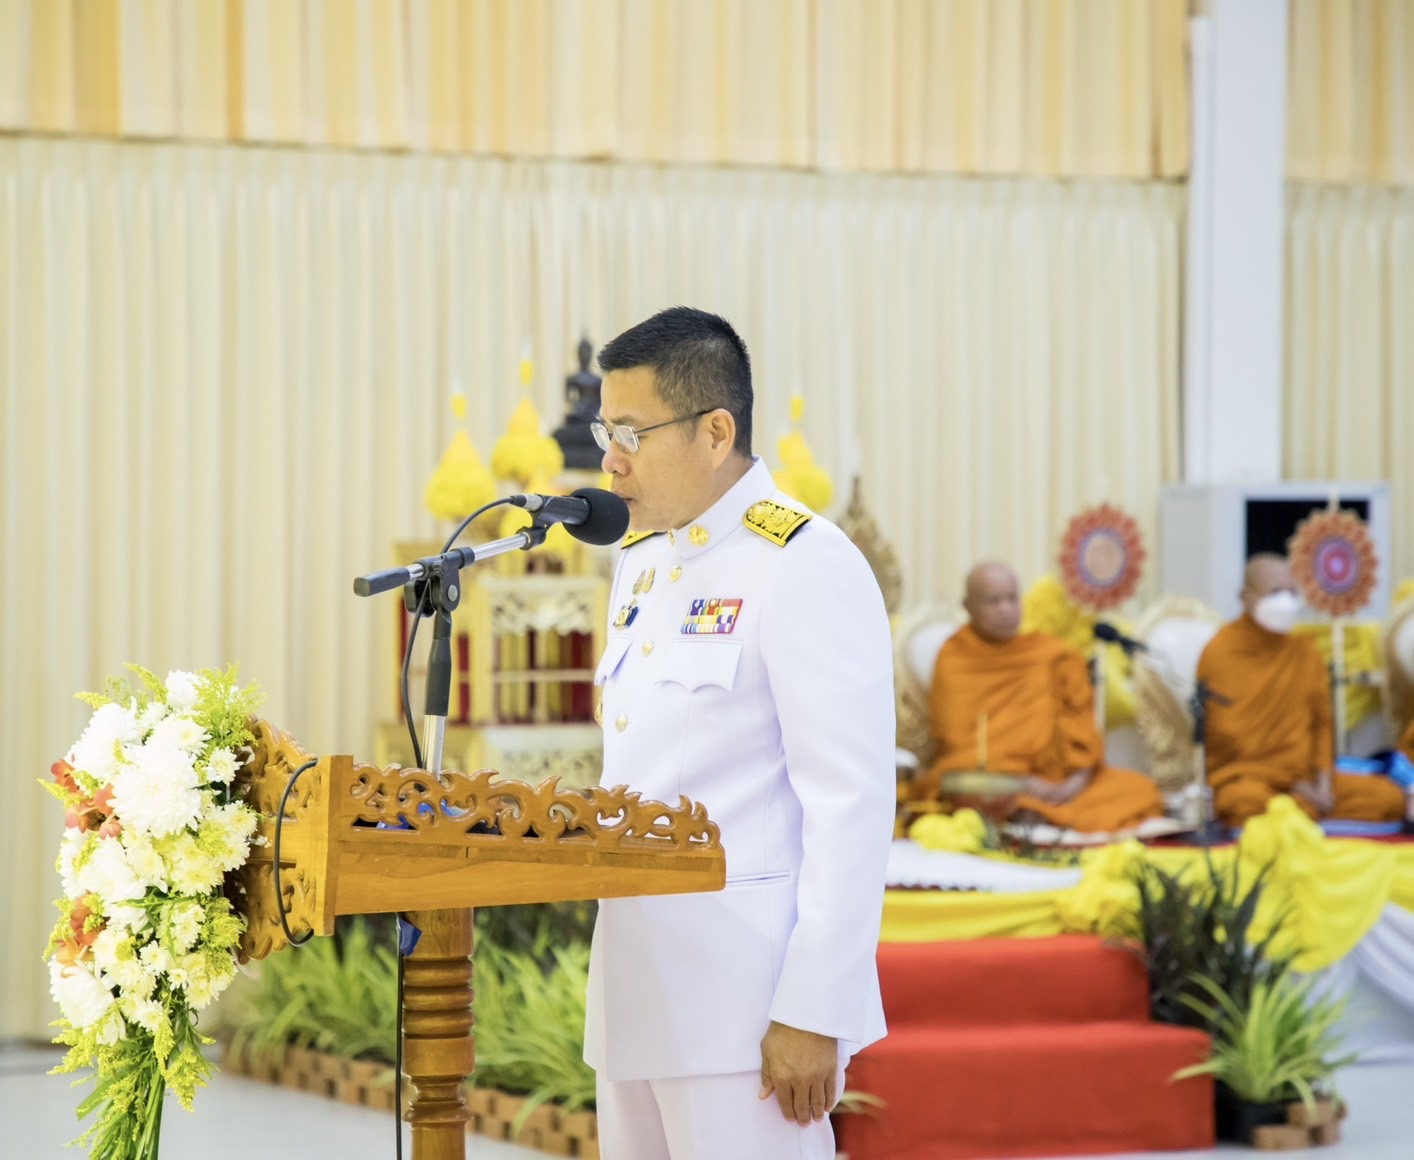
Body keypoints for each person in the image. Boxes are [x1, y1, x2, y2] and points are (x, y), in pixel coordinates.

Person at [584, 307, 896, 1160]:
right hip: (637, 998)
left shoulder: (803, 562)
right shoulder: (642, 565)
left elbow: (851, 803)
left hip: (744, 1017)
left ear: (715, 431)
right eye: (604, 428)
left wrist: (813, 1008)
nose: (610, 457)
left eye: (630, 432)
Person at [918, 561, 1163, 833]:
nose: (1006, 610)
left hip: (1059, 784)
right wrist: (1019, 783)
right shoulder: (955, 657)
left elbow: (1082, 731)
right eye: (993, 601)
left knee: (1140, 790)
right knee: (965, 789)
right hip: (994, 784)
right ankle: (1026, 809)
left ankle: (1038, 812)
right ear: (967, 605)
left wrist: (1075, 782)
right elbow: (958, 746)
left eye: (1012, 599)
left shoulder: (1051, 655)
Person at [1195, 553, 1406, 828]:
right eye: (1275, 592)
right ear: (1246, 597)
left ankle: (1299, 811)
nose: (1286, 601)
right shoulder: (1221, 652)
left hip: (1307, 782)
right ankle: (1301, 810)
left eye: (1292, 592)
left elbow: (1321, 725)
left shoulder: (1305, 653)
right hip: (1249, 779)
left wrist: (1323, 783)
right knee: (1243, 803)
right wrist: (1295, 784)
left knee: (1388, 798)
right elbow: (1229, 736)